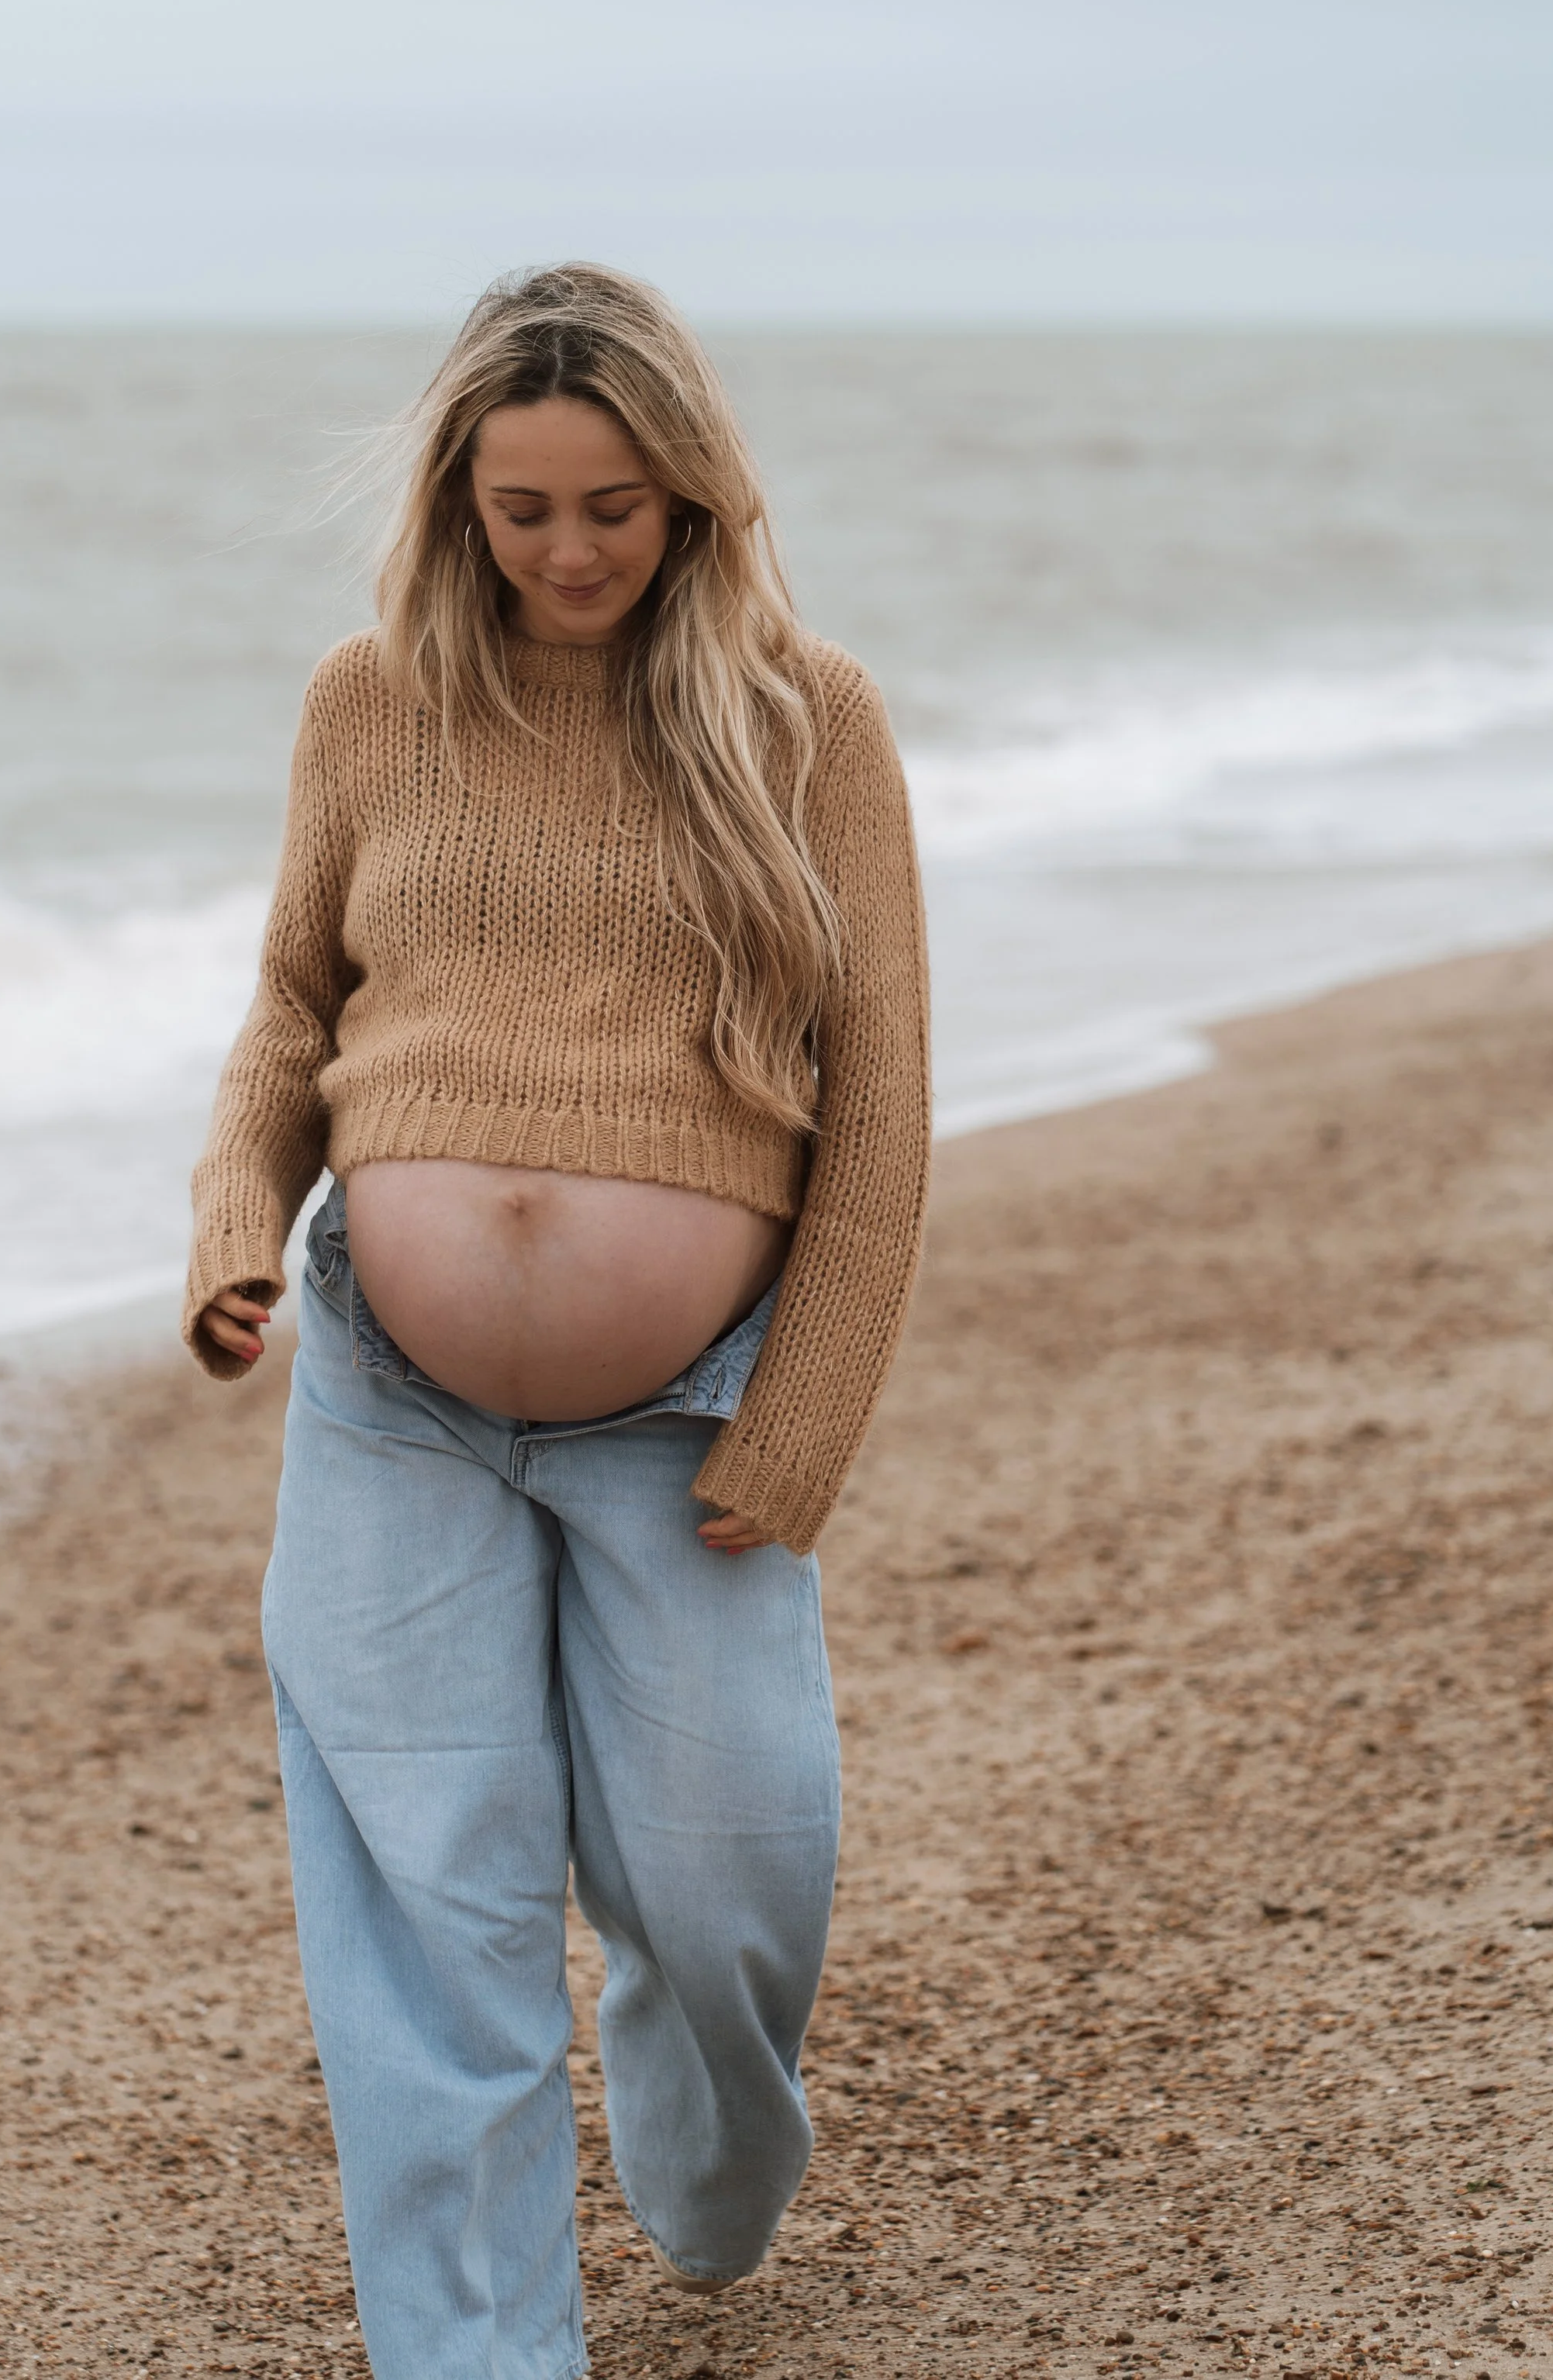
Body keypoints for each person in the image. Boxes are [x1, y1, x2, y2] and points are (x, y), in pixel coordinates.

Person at [184, 262, 930, 2380]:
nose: (570, 547)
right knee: (433, 1914)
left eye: (612, 502)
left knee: (728, 1881)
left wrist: (801, 1428)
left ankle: (705, 2144)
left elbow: (877, 1109)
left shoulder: (807, 719)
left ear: (690, 494)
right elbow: (291, 1013)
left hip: (690, 1417)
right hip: (394, 1403)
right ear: (458, 498)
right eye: (523, 507)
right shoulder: (370, 703)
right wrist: (238, 1216)